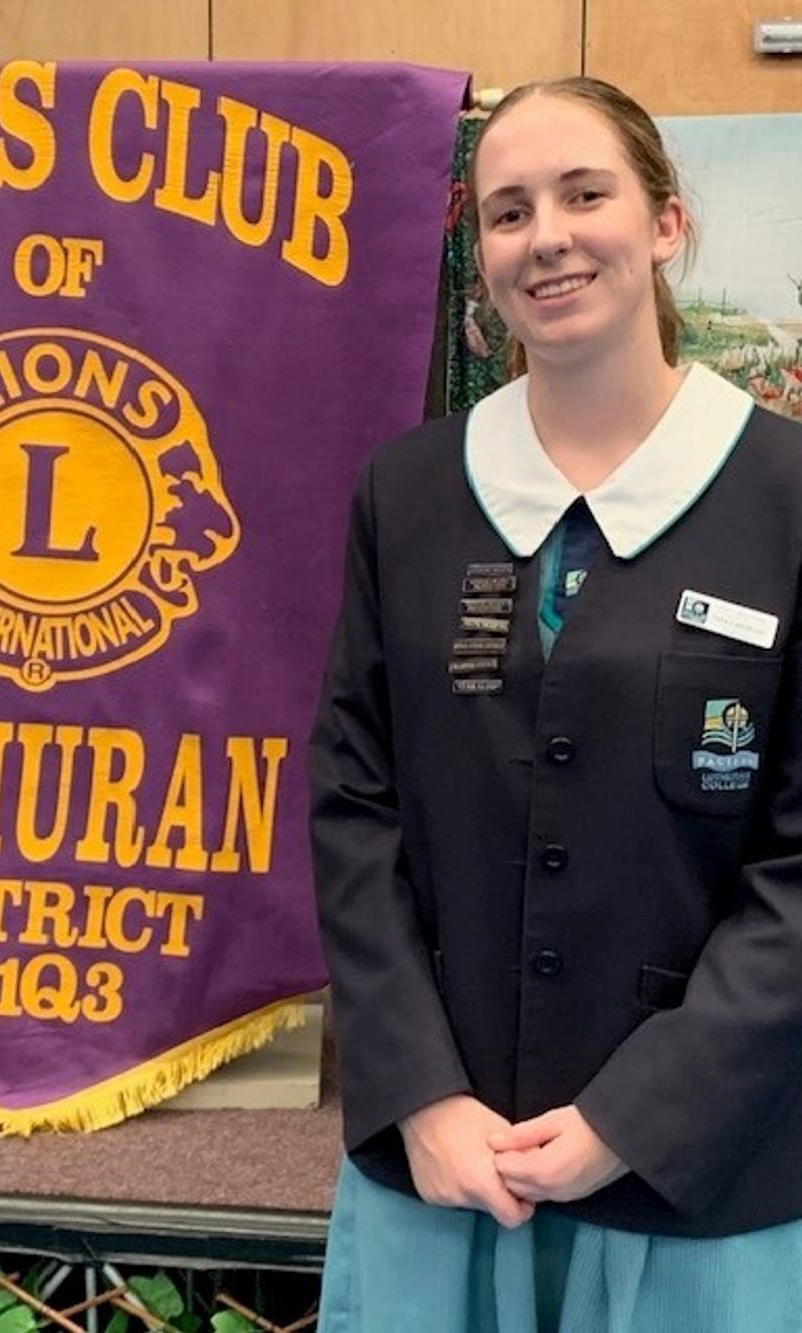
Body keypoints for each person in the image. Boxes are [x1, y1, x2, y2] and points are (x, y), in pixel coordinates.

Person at [308, 76, 802, 1331]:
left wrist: (632, 1119)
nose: (549, 237)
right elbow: (355, 813)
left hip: (702, 1181)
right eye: (509, 211)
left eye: (586, 194)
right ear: (481, 256)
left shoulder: (787, 500)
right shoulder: (406, 496)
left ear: (665, 223)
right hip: (444, 1167)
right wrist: (421, 1096)